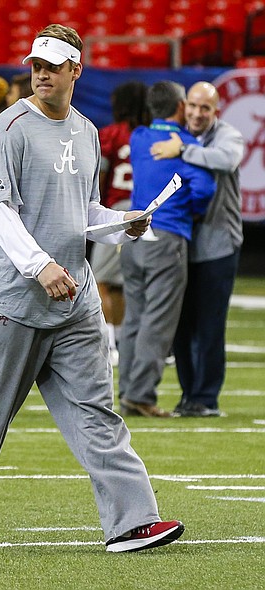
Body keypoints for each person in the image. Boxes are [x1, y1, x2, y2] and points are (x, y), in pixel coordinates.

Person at [0, 24, 185, 553]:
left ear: (74, 70)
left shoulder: (86, 132)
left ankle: (132, 520)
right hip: (12, 300)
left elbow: (80, 210)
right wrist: (39, 266)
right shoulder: (9, 128)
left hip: (75, 297)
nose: (41, 72)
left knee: (97, 412)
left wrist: (121, 221)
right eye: (36, 63)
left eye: (52, 65)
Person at [118, 81, 216, 418]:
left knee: (134, 317)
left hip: (133, 237)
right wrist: (192, 211)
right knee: (158, 321)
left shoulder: (139, 137)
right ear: (179, 107)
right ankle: (141, 394)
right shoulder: (185, 143)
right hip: (169, 237)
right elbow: (204, 189)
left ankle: (127, 389)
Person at [149, 81, 244, 418]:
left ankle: (206, 398)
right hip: (183, 242)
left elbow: (228, 158)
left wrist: (183, 151)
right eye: (193, 106)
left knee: (209, 325)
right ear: (182, 106)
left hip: (218, 245)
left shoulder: (227, 135)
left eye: (205, 108)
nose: (197, 113)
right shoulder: (176, 134)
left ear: (216, 111)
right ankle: (189, 396)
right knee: (182, 325)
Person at [89, 81, 150, 366]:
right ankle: (122, 342)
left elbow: (99, 180)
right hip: (143, 212)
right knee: (121, 284)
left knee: (101, 280)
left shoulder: (111, 135)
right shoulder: (150, 136)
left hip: (116, 211)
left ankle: (110, 344)